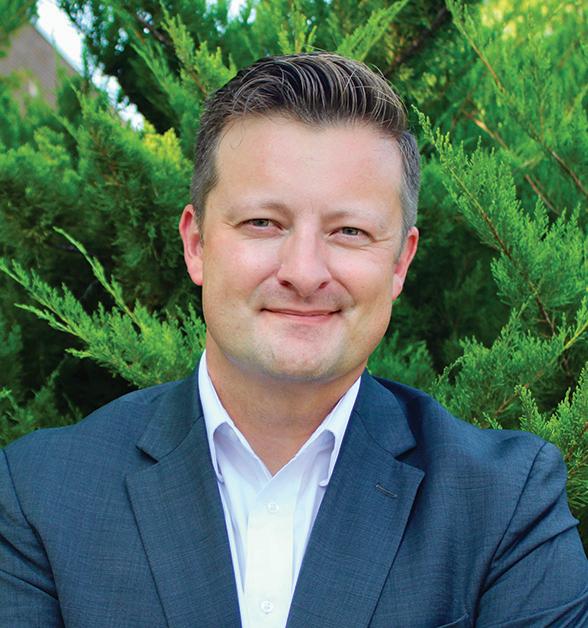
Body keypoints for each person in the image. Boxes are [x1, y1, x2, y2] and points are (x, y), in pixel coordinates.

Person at [1, 52, 586, 628]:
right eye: (263, 223)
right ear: (197, 244)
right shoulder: (38, 495)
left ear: (400, 263)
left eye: (349, 230)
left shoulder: (505, 502)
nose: (304, 272)